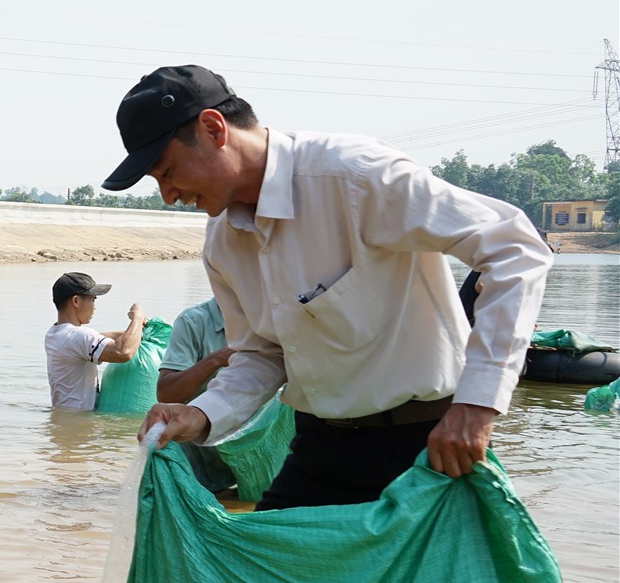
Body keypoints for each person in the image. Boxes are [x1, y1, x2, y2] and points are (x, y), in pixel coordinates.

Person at [109, 65, 552, 508]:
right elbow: (262, 354)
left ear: (213, 128)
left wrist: (477, 406)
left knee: (443, 579)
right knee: (262, 571)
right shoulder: (224, 242)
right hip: (319, 444)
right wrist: (200, 414)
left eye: (167, 172)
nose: (168, 195)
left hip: (429, 444)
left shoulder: (355, 176)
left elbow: (515, 249)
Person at [156, 297, 237, 493]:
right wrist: (216, 359)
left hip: (252, 449)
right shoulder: (193, 321)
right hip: (203, 455)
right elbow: (166, 394)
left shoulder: (268, 319)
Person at [44, 272, 146, 410]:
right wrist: (137, 318)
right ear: (76, 301)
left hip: (65, 416)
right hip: (80, 424)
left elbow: (100, 337)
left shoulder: (55, 334)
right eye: (93, 299)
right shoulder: (79, 336)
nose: (95, 306)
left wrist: (140, 331)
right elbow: (123, 352)